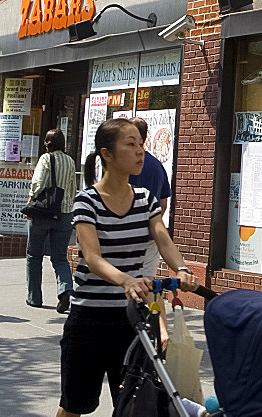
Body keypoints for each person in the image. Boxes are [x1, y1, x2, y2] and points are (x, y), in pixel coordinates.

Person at [57, 118, 197, 417]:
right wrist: (126, 281)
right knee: (74, 407)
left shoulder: (146, 199)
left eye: (141, 145)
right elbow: (92, 258)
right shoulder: (87, 201)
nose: (140, 152)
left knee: (135, 405)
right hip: (89, 321)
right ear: (107, 154)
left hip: (133, 322)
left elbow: (162, 237)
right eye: (130, 145)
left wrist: (181, 269)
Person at [26, 129, 78, 312]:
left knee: (34, 255)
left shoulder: (46, 159)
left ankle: (34, 297)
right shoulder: (70, 161)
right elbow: (73, 188)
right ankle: (65, 290)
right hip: (64, 213)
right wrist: (68, 207)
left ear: (47, 143)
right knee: (60, 257)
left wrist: (31, 200)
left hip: (43, 212)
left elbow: (38, 182)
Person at [128, 117, 171, 279]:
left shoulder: (124, 165)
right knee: (148, 285)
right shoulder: (157, 166)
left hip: (126, 236)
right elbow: (163, 204)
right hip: (151, 237)